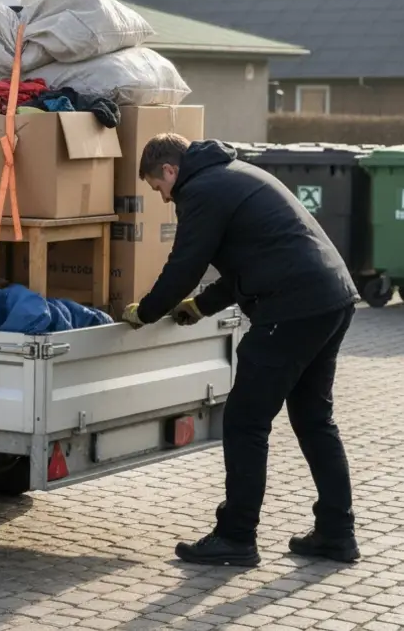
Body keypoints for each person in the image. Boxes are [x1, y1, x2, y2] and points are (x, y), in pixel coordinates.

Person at [118, 134, 360, 567]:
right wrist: (200, 306)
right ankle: (336, 533)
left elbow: (185, 264)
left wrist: (147, 312)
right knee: (314, 419)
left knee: (245, 421)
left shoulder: (200, 191)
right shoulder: (233, 174)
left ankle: (236, 536)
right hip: (330, 297)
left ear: (170, 170)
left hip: (291, 307)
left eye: (158, 188)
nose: (164, 198)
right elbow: (249, 261)